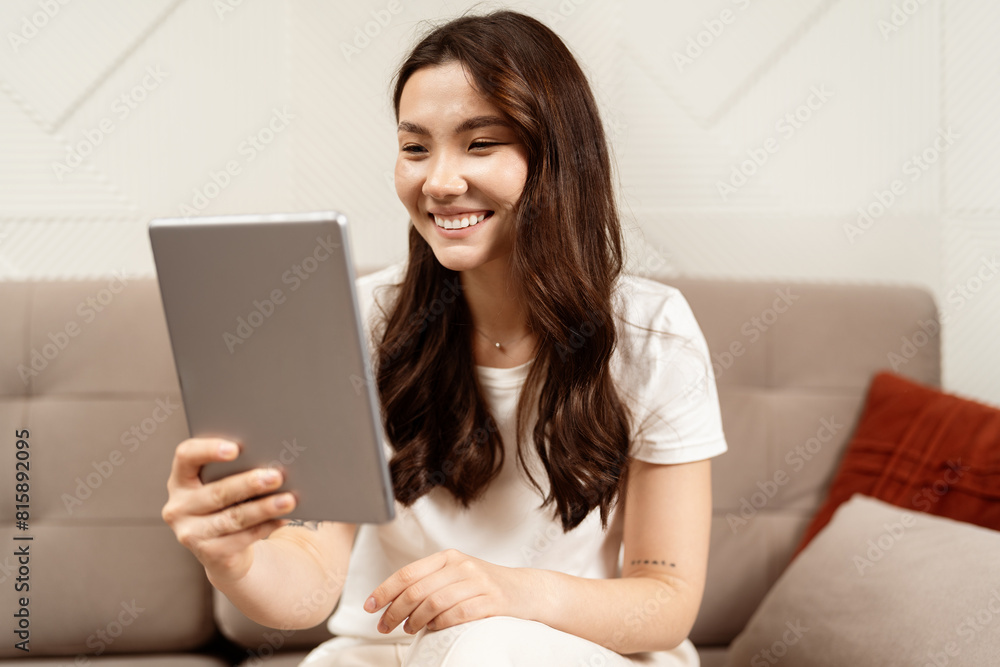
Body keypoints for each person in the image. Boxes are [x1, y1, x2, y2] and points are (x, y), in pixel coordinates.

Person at [161, 10, 727, 666]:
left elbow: (667, 597)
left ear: (559, 158)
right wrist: (230, 556)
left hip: (581, 652)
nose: (438, 180)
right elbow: (311, 581)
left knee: (484, 644)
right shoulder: (357, 319)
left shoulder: (651, 332)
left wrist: (509, 592)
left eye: (480, 144)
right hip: (392, 654)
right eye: (415, 146)